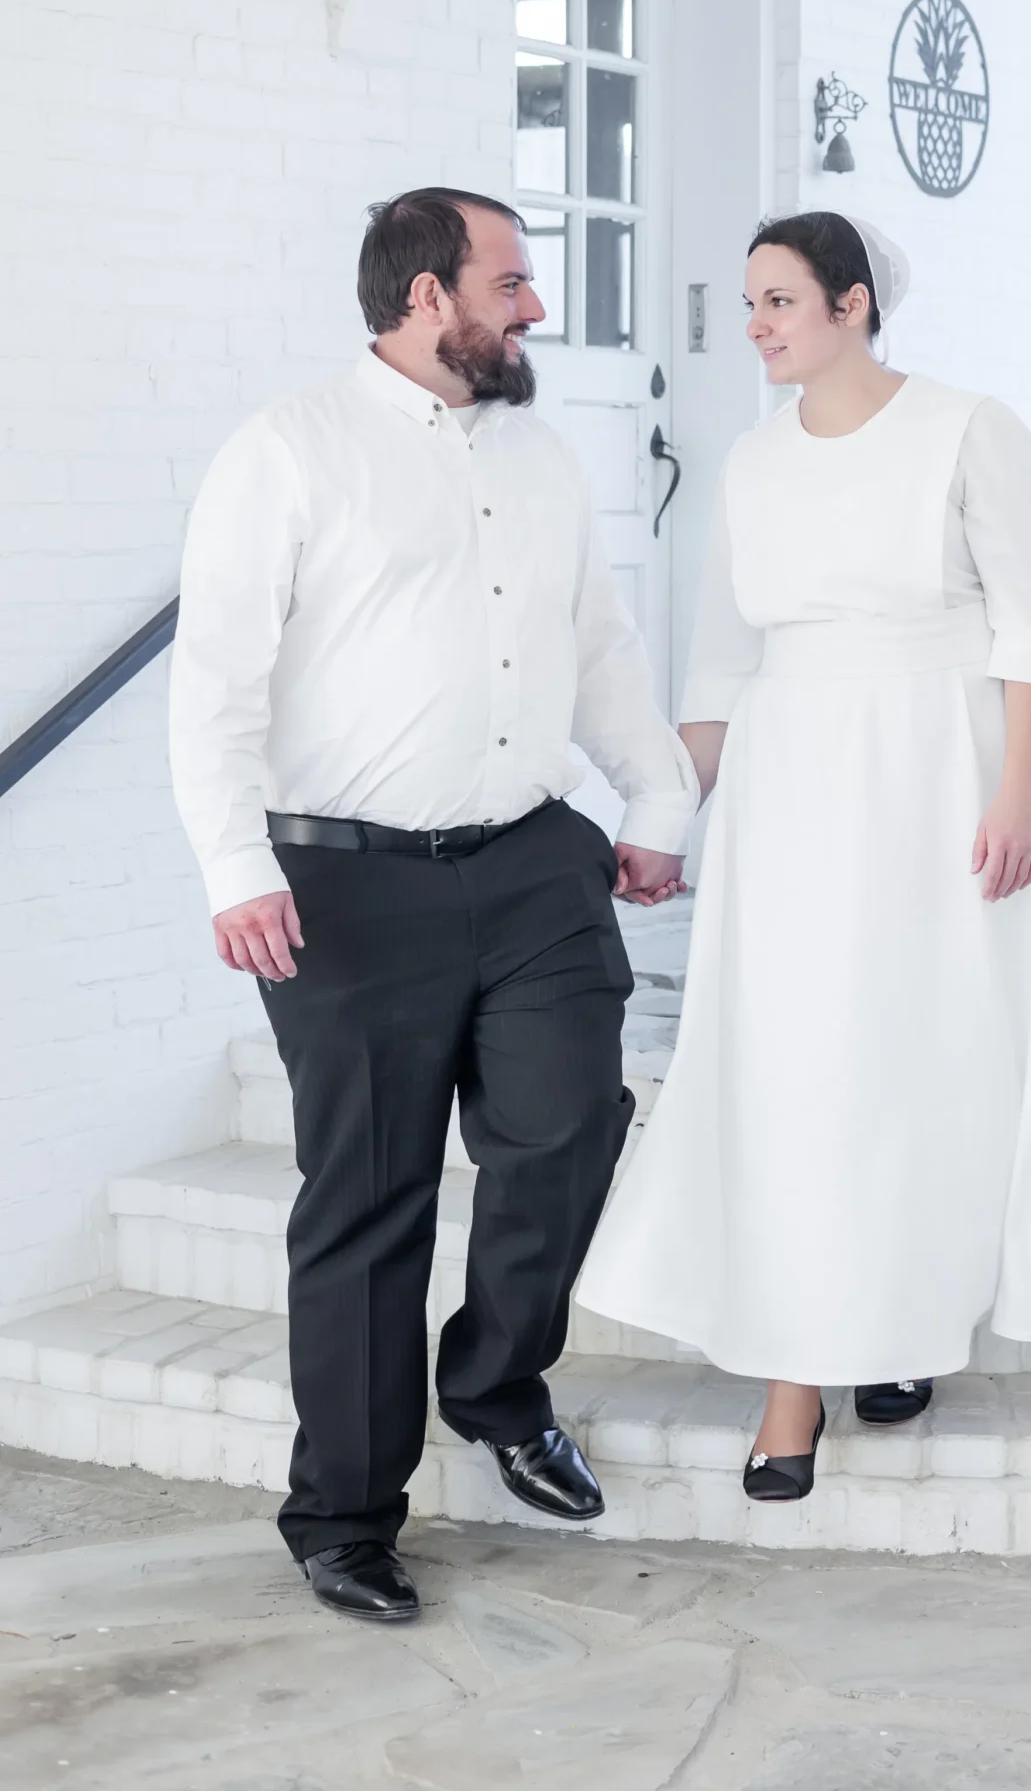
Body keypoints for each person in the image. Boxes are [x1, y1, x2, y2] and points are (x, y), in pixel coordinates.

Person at [576, 211, 1031, 1498]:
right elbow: (723, 658)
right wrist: (667, 818)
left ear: (852, 305)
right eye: (749, 303)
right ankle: (798, 1376)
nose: (754, 326)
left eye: (778, 301)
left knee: (929, 1056)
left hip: (942, 774)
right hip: (795, 787)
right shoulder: (749, 461)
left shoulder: (969, 430)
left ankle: (909, 1313)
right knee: (803, 1066)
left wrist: (1020, 790)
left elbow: (1029, 630)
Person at [168, 188, 696, 1620]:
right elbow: (212, 680)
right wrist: (236, 869)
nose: (533, 308)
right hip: (341, 883)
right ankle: (343, 1513)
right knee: (368, 1203)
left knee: (571, 1124)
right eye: (509, 282)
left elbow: (597, 643)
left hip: (531, 859)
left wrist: (652, 802)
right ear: (423, 296)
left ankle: (495, 1384)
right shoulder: (287, 451)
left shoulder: (535, 454)